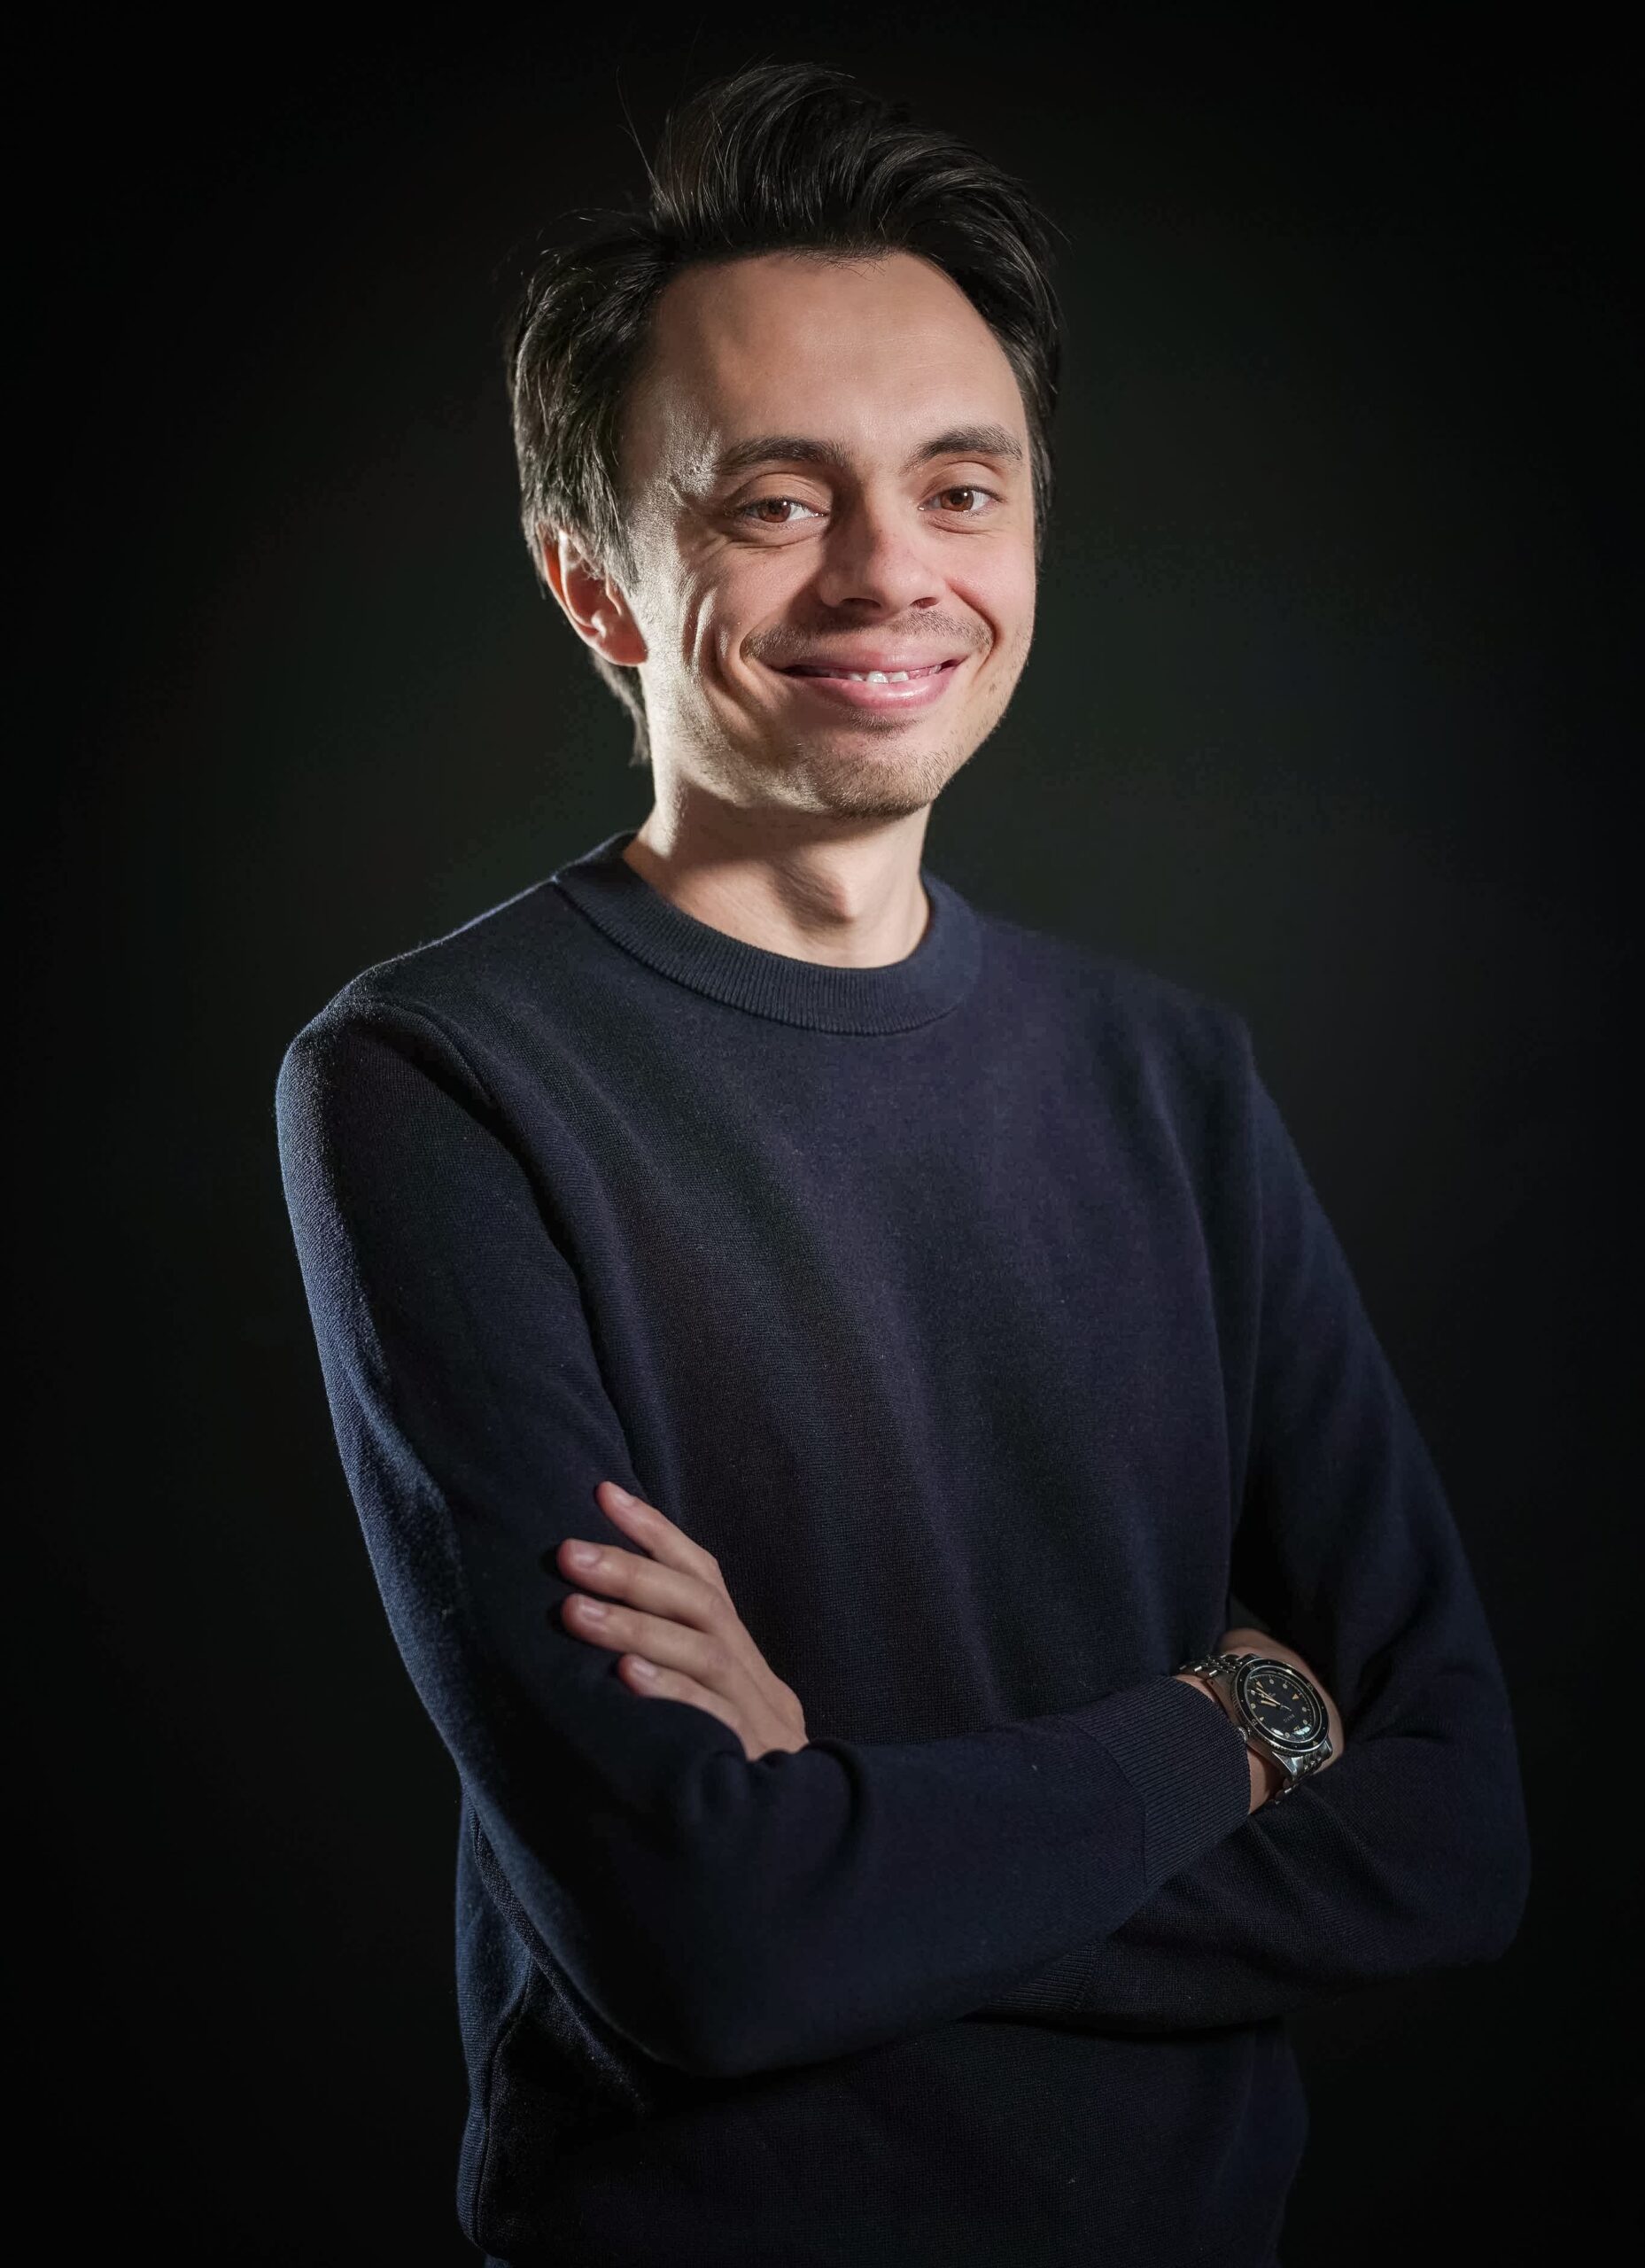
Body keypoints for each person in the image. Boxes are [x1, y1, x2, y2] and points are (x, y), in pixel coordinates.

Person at [275, 58, 1530, 2267]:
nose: (890, 573)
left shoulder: (1173, 1081)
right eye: (774, 499)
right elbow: (702, 1941)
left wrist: (838, 1824)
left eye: (961, 487)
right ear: (598, 588)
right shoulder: (436, 1079)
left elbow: (1447, 1835)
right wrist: (1233, 1717)